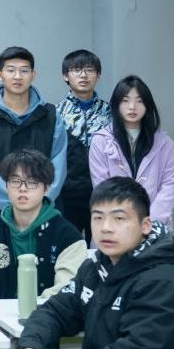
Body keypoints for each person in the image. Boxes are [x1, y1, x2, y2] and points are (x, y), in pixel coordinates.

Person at [17, 177, 174, 349]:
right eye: (98, 217)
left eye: (119, 218)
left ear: (146, 225)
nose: (106, 227)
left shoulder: (165, 282)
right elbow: (55, 311)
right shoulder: (96, 268)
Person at [0, 149, 88, 301]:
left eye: (31, 182)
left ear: (47, 188)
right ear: (6, 186)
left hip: (50, 314)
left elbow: (65, 291)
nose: (22, 188)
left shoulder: (69, 238)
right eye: (15, 181)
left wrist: (36, 314)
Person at [0, 46, 68, 227]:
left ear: (33, 75)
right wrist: (15, 204)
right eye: (11, 70)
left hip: (45, 213)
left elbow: (58, 165)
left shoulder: (52, 115)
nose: (17, 76)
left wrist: (40, 201)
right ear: (0, 75)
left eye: (24, 71)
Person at [90, 75, 174, 227]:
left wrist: (150, 222)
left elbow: (170, 184)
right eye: (125, 101)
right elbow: (102, 186)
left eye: (139, 101)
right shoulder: (100, 141)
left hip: (154, 225)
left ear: (147, 105)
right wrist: (124, 220)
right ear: (116, 104)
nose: (132, 107)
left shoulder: (164, 143)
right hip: (114, 225)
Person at [56, 50, 111, 239]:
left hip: (103, 193)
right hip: (67, 196)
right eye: (76, 70)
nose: (83, 75)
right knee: (69, 246)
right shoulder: (56, 113)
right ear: (65, 75)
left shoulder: (110, 112)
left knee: (103, 245)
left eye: (89, 70)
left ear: (98, 75)